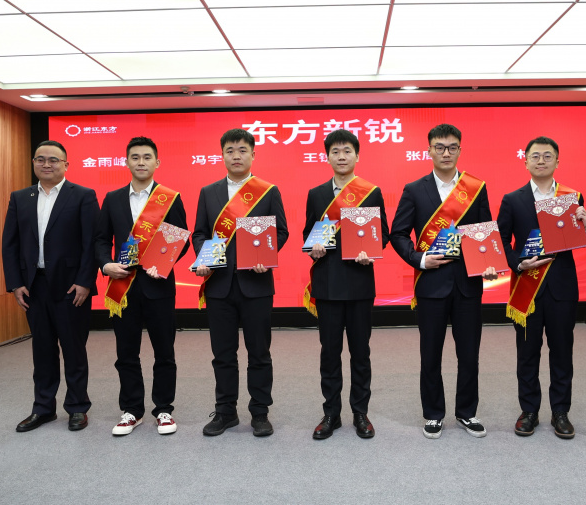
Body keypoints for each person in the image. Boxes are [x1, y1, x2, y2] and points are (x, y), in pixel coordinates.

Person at [390, 123, 498, 439]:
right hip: (431, 283)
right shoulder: (414, 189)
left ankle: (467, 412)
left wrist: (489, 263)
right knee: (431, 353)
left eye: (452, 147)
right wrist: (419, 259)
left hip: (467, 284)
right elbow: (398, 233)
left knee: (469, 353)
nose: (446, 153)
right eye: (439, 147)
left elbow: (484, 231)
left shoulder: (475, 187)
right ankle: (434, 413)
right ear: (429, 151)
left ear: (460, 150)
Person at [192, 128, 289, 437]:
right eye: (230, 150)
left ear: (253, 155)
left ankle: (260, 412)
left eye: (242, 150)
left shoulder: (268, 191)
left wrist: (267, 256)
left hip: (256, 284)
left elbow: (281, 232)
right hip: (219, 285)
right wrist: (204, 257)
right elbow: (199, 233)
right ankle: (225, 412)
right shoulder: (209, 192)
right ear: (222, 155)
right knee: (223, 354)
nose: (236, 155)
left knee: (259, 352)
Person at [2, 140, 99, 432]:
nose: (47, 164)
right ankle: (43, 408)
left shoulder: (83, 196)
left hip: (72, 287)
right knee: (42, 350)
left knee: (73, 349)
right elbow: (10, 244)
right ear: (34, 163)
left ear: (66, 165)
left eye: (54, 160)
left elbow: (91, 243)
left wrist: (85, 281)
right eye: (40, 159)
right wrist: (15, 283)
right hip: (34, 286)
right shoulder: (20, 197)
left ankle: (77, 407)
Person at [95, 136, 189, 436]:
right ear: (126, 162)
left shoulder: (170, 198)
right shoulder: (112, 199)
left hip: (158, 286)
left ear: (157, 162)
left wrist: (165, 263)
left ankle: (164, 409)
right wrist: (105, 264)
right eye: (135, 157)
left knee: (164, 352)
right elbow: (100, 239)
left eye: (147, 157)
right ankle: (131, 410)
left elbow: (181, 238)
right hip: (122, 287)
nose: (141, 162)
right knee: (126, 353)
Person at [497, 136, 586, 439]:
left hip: (562, 288)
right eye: (535, 156)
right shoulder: (512, 199)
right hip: (527, 288)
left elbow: (584, 238)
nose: (541, 161)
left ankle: (560, 412)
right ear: (525, 161)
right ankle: (529, 411)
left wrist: (584, 223)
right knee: (527, 353)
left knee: (562, 352)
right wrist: (518, 263)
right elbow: (502, 241)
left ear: (557, 161)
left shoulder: (572, 196)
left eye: (547, 156)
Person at [302, 129, 389, 440]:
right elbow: (307, 235)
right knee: (330, 352)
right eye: (335, 152)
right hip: (326, 284)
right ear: (327, 156)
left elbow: (383, 233)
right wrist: (312, 248)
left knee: (360, 352)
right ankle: (331, 413)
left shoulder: (371, 192)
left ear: (357, 155)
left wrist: (371, 252)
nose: (341, 157)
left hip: (360, 282)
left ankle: (360, 412)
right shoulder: (316, 194)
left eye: (347, 151)